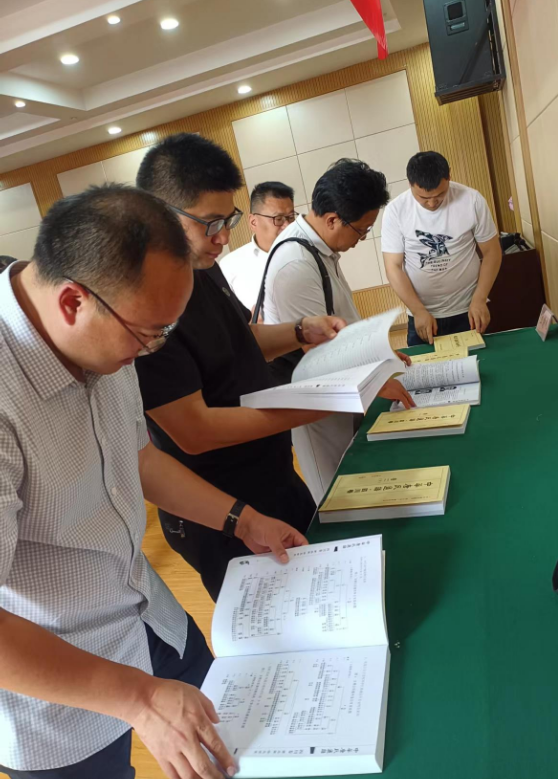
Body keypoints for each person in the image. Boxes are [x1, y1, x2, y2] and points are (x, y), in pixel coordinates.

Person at [0, 184, 307, 779]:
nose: (152, 350)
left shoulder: (111, 331)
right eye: (149, 334)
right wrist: (140, 699)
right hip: (54, 692)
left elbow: (137, 458)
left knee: (236, 756)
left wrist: (242, 519)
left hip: (149, 617)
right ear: (72, 302)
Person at [135, 133, 347, 601]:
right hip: (219, 506)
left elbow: (236, 342)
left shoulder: (202, 264)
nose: (223, 237)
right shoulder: (145, 304)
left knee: (325, 591)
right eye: (210, 223)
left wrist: (300, 331)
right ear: (157, 213)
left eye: (228, 219)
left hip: (272, 473)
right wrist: (316, 405)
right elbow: (194, 431)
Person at [260, 158, 414, 504]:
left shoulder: (318, 248)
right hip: (319, 403)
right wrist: (376, 380)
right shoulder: (295, 264)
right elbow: (318, 355)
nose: (362, 238)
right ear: (332, 219)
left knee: (359, 483)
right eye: (361, 230)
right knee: (339, 496)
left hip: (342, 392)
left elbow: (338, 323)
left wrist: (377, 356)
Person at [382, 150, 502, 346]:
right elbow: (393, 267)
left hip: (469, 310)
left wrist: (480, 298)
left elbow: (492, 252)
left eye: (440, 195)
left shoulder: (471, 200)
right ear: (410, 184)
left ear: (449, 177)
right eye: (423, 197)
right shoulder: (396, 211)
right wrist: (418, 310)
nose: (432, 203)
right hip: (422, 315)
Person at [220, 181, 297, 311]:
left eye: (291, 217)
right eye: (278, 219)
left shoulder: (308, 254)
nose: (288, 226)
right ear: (253, 222)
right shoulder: (229, 266)